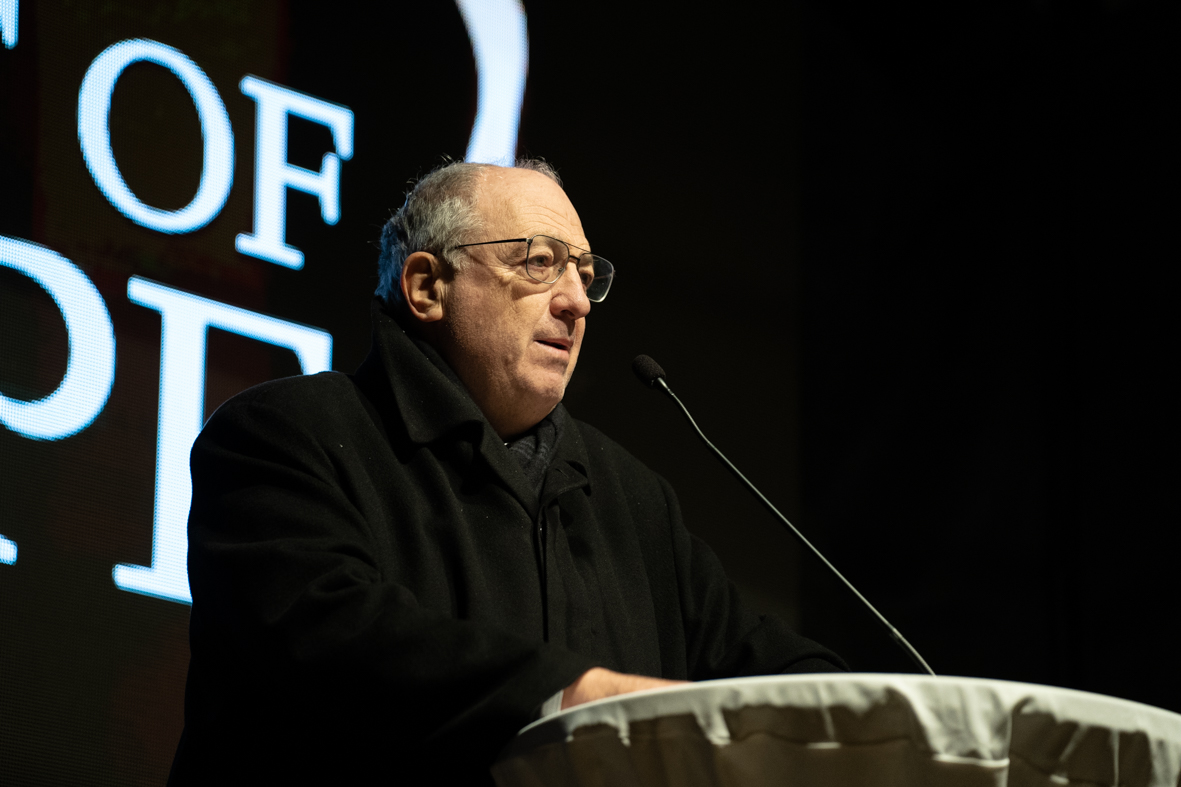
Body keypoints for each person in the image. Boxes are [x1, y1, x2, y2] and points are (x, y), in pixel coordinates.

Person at [168, 160, 845, 785]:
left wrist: (872, 716)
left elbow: (762, 664)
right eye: (540, 262)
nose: (577, 302)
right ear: (427, 286)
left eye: (585, 274)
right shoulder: (284, 433)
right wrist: (574, 697)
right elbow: (331, 642)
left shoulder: (631, 498)